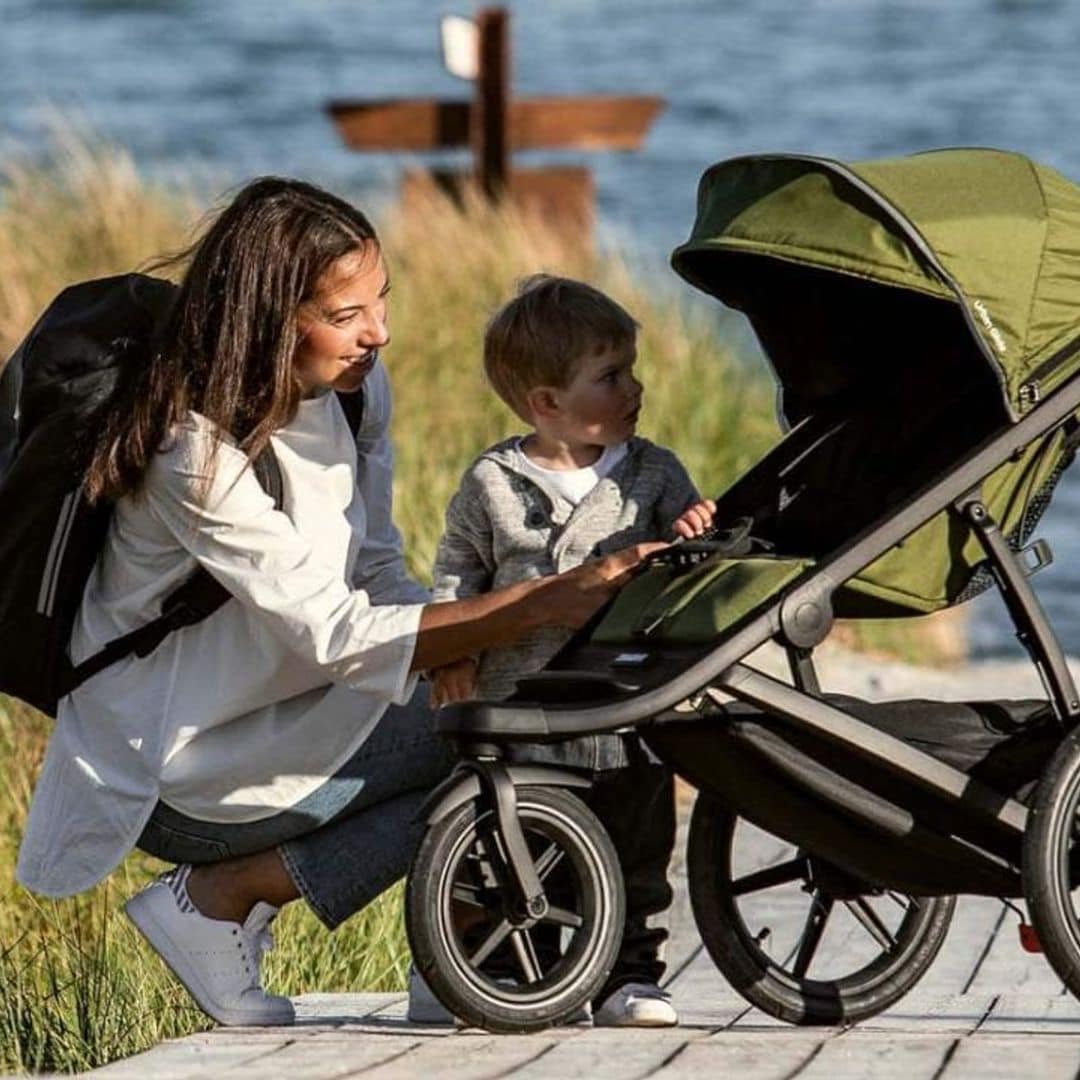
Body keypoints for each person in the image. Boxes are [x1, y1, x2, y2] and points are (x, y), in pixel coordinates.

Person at [14, 180, 657, 1028]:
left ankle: (454, 957)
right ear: (270, 317)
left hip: (286, 713)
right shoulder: (189, 449)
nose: (378, 332)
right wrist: (535, 603)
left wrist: (463, 644)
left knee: (507, 696)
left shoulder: (354, 393)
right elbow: (334, 633)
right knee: (504, 720)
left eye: (380, 301)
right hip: (178, 766)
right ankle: (221, 896)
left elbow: (377, 570)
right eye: (346, 314)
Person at [424, 275, 715, 1027]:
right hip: (523, 701)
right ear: (547, 404)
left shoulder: (654, 473)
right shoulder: (494, 482)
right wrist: (447, 650)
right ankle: (525, 973)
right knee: (515, 844)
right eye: (610, 376)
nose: (634, 387)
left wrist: (697, 531)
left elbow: (694, 557)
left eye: (631, 369)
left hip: (625, 700)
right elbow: (458, 568)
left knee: (635, 843)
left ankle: (630, 974)